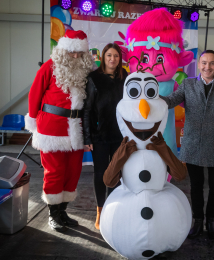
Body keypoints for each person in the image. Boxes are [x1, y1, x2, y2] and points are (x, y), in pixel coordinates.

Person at [25, 30, 94, 232]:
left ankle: (63, 211)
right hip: (51, 129)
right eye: (72, 52)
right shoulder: (49, 67)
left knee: (73, 172)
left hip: (77, 130)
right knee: (54, 172)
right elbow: (34, 94)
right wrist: (33, 121)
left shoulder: (87, 71)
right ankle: (53, 214)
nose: (75, 56)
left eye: (79, 53)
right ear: (63, 49)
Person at [160, 50, 214, 240]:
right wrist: (152, 97)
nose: (207, 67)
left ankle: (212, 221)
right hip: (192, 143)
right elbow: (171, 101)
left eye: (212, 63)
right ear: (198, 65)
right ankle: (198, 221)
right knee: (196, 185)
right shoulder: (188, 83)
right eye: (204, 63)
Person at [83, 43, 128, 230]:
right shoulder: (93, 78)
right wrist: (87, 138)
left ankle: (114, 209)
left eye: (116, 56)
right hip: (99, 135)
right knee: (101, 173)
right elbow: (86, 110)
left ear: (119, 59)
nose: (112, 59)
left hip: (119, 135)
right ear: (103, 57)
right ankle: (101, 210)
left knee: (116, 173)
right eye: (109, 55)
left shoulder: (125, 76)